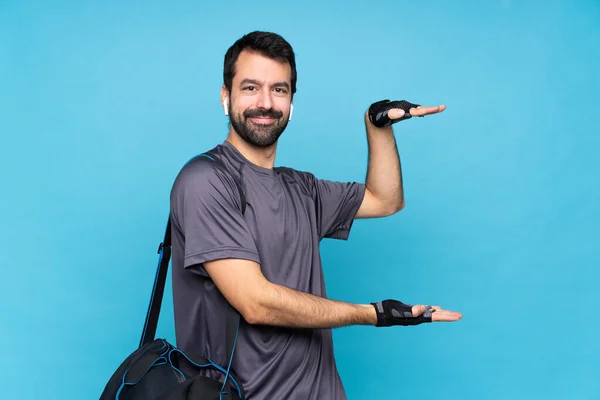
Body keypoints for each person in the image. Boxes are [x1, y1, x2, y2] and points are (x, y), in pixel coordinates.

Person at [169, 31, 462, 399]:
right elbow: (255, 302)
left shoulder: (301, 189)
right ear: (225, 97)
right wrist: (372, 313)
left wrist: (377, 125)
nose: (265, 103)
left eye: (279, 89)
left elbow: (385, 200)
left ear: (292, 102)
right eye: (250, 88)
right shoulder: (206, 180)